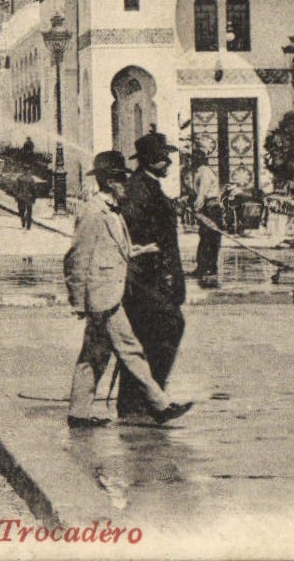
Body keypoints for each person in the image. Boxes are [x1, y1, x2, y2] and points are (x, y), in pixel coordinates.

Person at [64, 151, 194, 427]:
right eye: (122, 180)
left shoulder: (112, 211)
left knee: (93, 354)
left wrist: (142, 249)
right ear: (111, 182)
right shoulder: (93, 212)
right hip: (103, 296)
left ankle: (78, 412)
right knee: (130, 349)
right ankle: (160, 404)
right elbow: (76, 257)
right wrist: (78, 302)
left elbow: (116, 250)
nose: (127, 185)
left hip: (107, 293)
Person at [117, 130, 188, 417]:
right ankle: (147, 397)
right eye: (163, 159)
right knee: (166, 328)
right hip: (144, 276)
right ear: (150, 160)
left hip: (155, 275)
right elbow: (136, 229)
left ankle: (140, 399)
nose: (169, 163)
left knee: (148, 335)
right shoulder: (139, 188)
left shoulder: (148, 185)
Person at [187, 151, 223, 286]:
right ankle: (206, 267)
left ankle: (207, 267)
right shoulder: (202, 171)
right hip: (210, 208)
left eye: (193, 159)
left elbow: (203, 191)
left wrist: (197, 206)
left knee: (208, 237)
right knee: (209, 237)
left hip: (211, 208)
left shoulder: (204, 171)